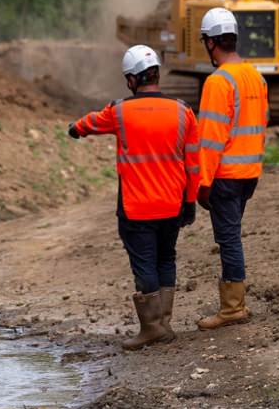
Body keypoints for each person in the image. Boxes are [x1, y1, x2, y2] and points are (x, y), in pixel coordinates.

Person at [68, 45, 200, 350]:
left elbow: (90, 123)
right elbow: (193, 162)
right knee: (166, 258)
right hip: (172, 204)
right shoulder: (183, 111)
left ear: (132, 79)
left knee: (144, 265)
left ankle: (152, 328)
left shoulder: (119, 111)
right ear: (155, 74)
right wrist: (190, 201)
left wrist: (75, 129)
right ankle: (163, 322)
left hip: (136, 207)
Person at [196, 7, 269, 330]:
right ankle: (233, 303)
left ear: (211, 43)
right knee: (232, 236)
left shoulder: (218, 81)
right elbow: (261, 123)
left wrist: (203, 182)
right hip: (249, 173)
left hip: (225, 176)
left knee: (229, 240)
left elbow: (211, 139)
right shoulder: (255, 75)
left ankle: (232, 308)